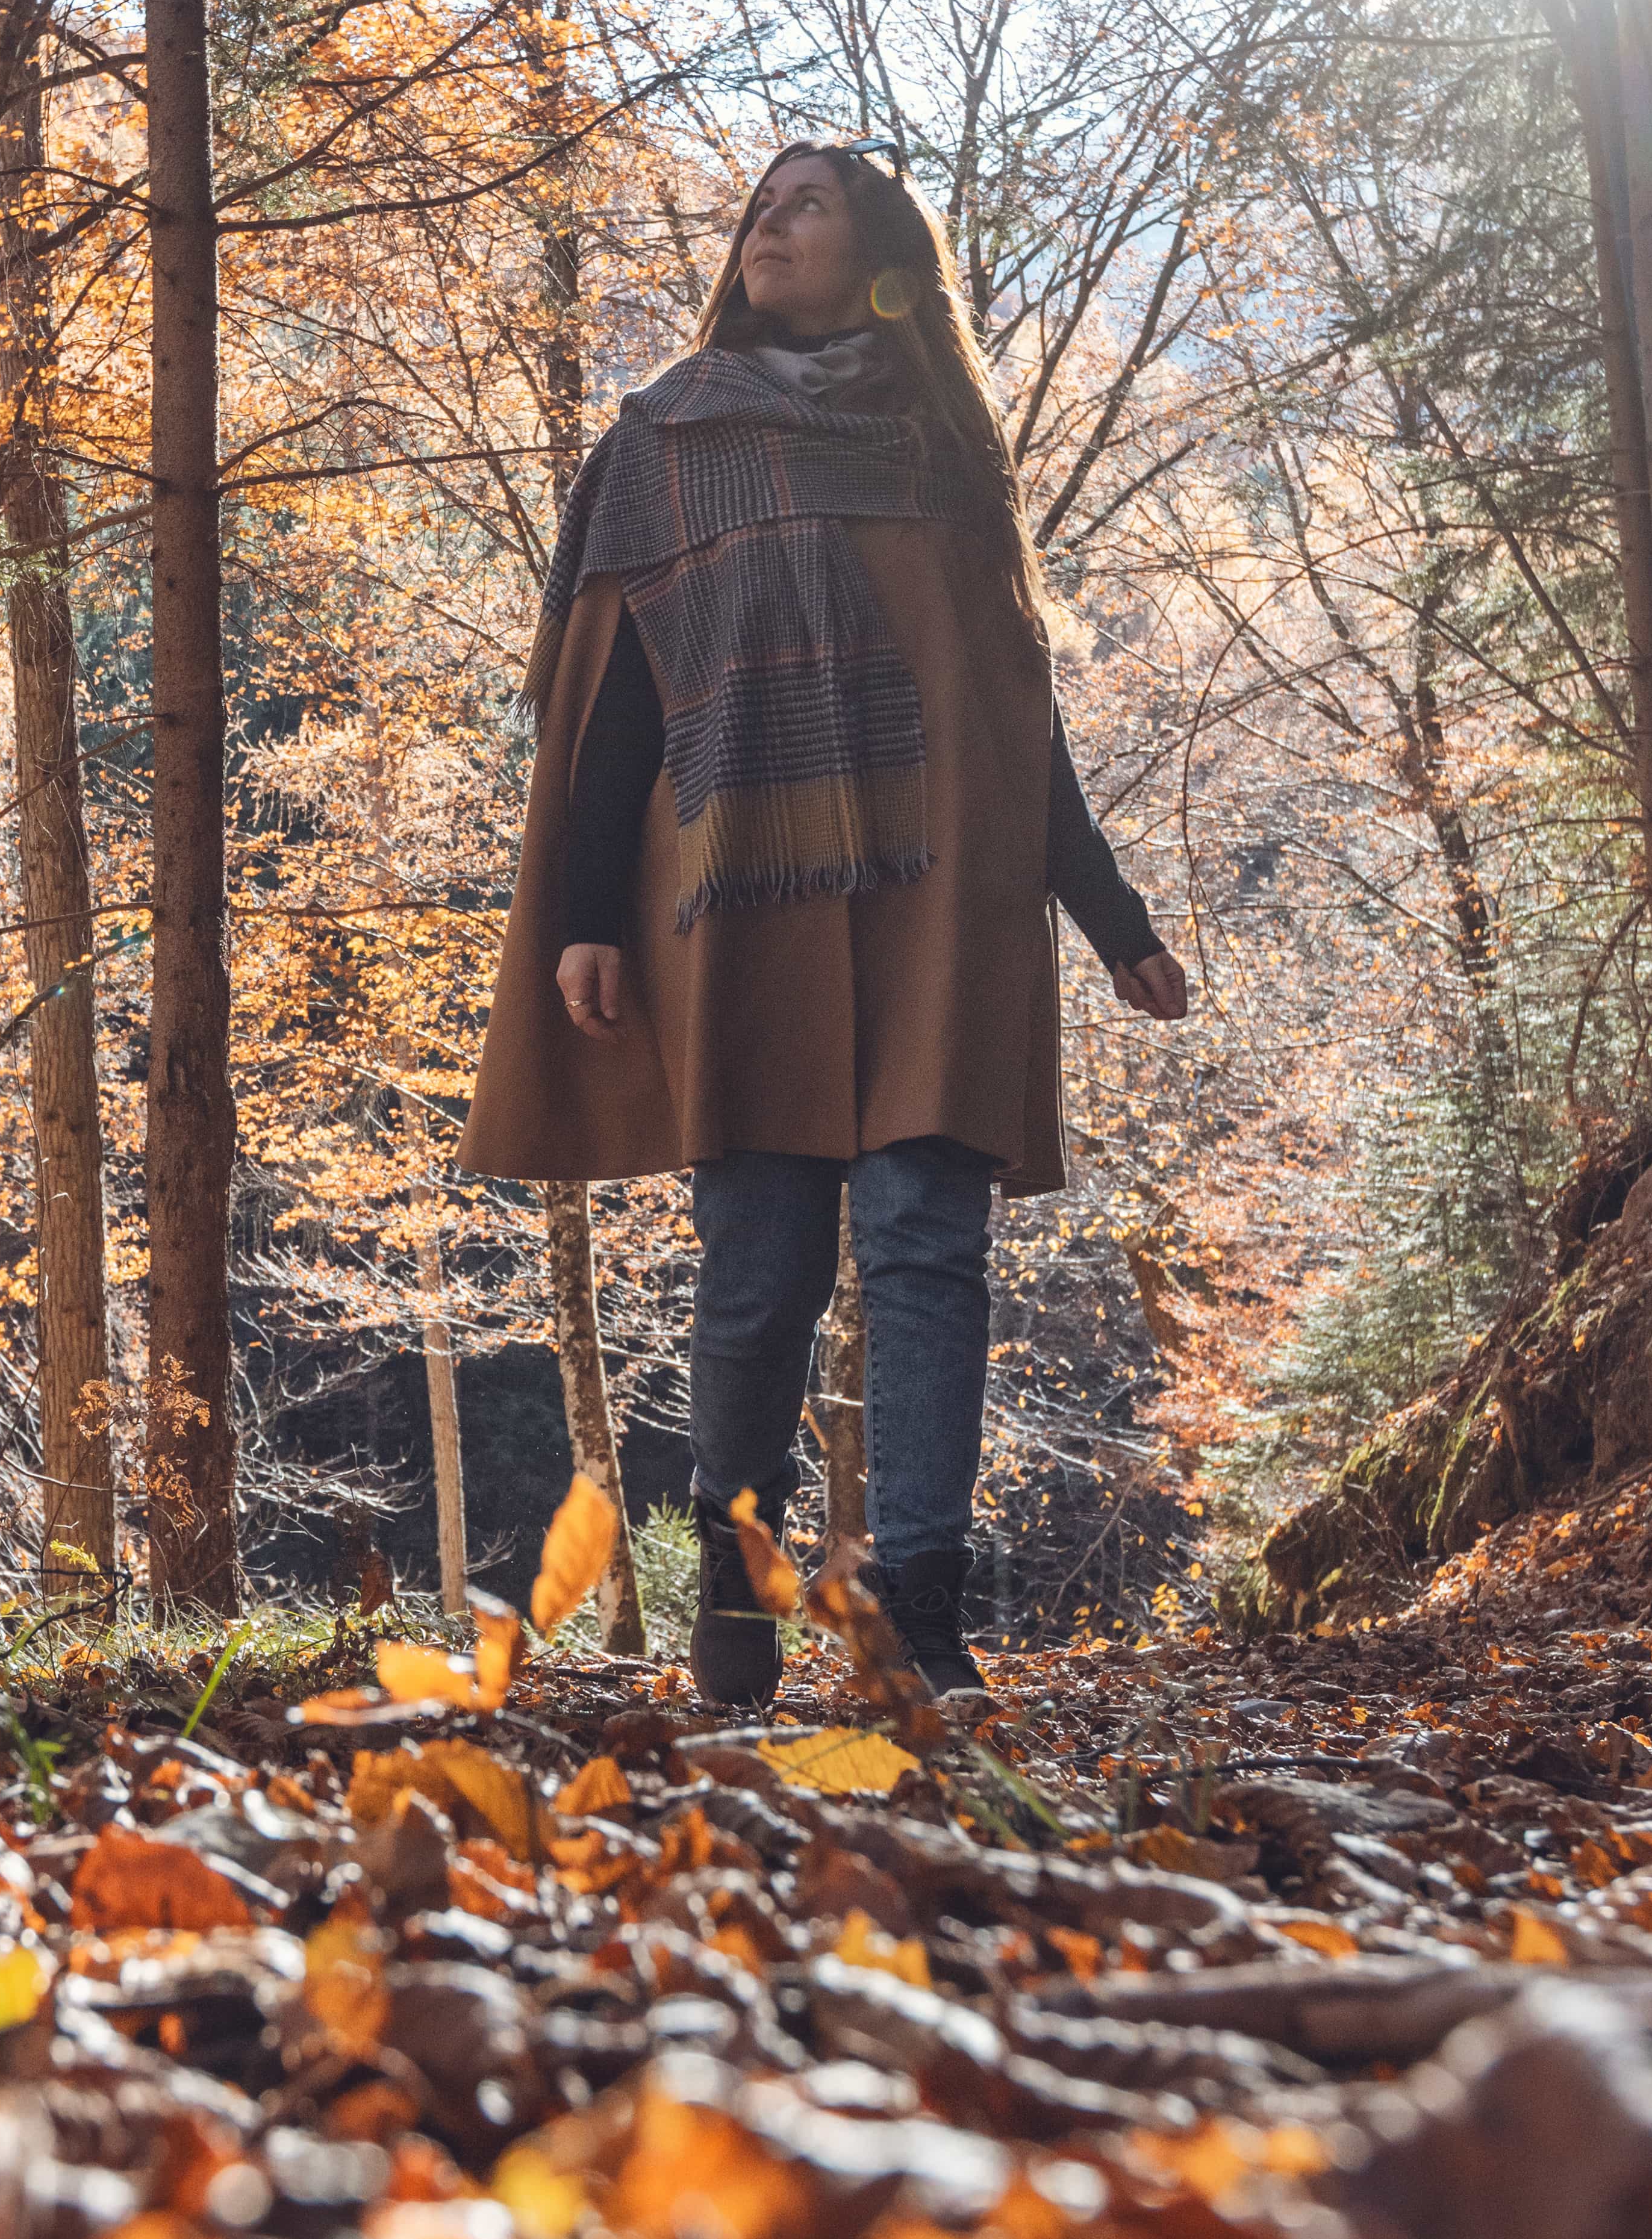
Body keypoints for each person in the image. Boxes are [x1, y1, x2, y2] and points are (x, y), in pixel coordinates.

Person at [461, 141, 1190, 1707]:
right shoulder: (672, 437)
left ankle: (919, 1613)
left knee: (928, 1245)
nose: (768, 226)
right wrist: (584, 916)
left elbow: (1012, 710)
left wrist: (1109, 912)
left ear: (882, 253)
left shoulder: (944, 453)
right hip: (747, 899)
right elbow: (617, 700)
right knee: (759, 1270)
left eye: (807, 204)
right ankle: (738, 1586)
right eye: (759, 207)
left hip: (940, 895)